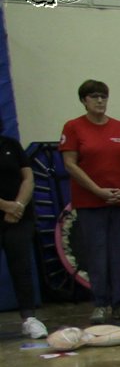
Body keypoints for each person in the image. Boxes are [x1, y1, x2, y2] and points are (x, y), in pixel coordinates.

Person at [60, 79, 120, 323]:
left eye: (103, 96)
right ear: (84, 100)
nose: (99, 101)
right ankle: (101, 303)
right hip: (90, 202)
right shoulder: (73, 127)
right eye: (94, 96)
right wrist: (97, 190)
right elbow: (70, 164)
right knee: (97, 253)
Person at [0, 131, 44, 338]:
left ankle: (29, 319)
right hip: (7, 210)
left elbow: (27, 177)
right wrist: (5, 206)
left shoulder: (11, 144)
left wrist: (18, 205)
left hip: (19, 217)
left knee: (21, 266)